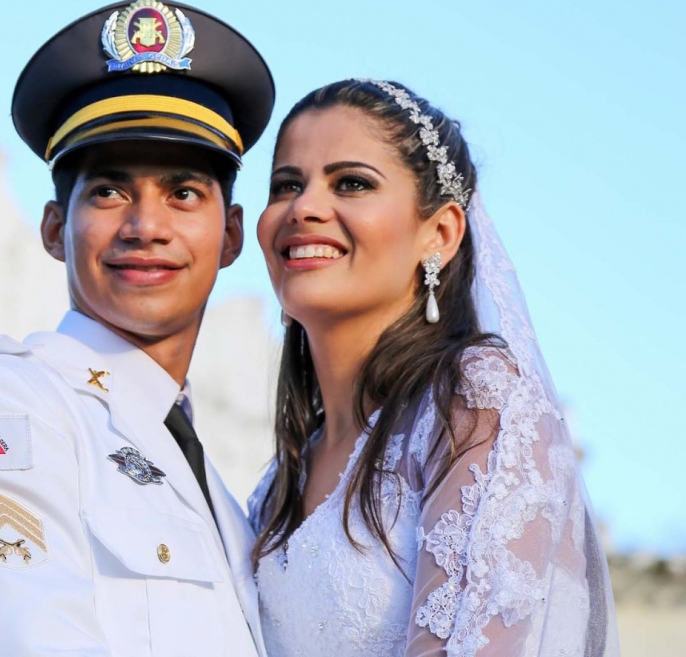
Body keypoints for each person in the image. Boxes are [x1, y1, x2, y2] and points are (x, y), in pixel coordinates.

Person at [0, 0, 276, 655]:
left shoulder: (221, 497)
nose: (146, 226)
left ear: (230, 234)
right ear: (55, 229)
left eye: (183, 192)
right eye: (109, 191)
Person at [248, 79, 619, 656]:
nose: (304, 207)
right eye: (286, 185)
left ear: (440, 234)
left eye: (351, 183)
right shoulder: (272, 489)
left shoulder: (472, 406)